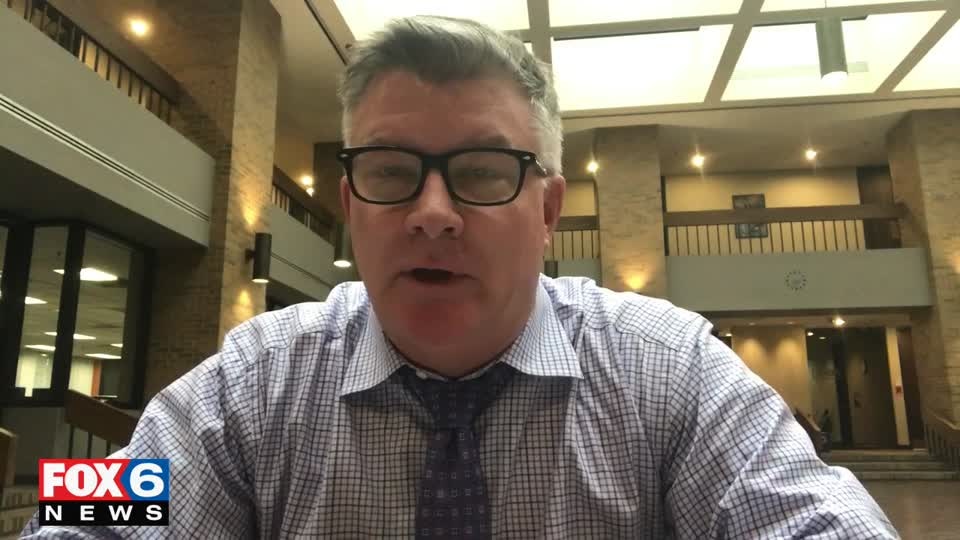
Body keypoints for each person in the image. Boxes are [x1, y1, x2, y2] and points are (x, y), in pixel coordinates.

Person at [24, 15, 897, 539]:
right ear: (351, 205)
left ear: (548, 209)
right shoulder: (250, 381)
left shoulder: (674, 371)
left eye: (482, 171)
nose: (432, 213)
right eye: (392, 170)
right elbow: (81, 511)